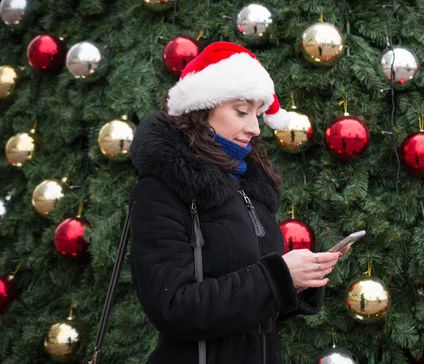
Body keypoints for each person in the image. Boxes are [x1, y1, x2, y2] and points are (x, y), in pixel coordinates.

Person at [128, 41, 343, 364]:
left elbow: (252, 297)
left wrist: (300, 281)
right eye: (242, 112)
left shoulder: (246, 183)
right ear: (202, 109)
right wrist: (279, 276)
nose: (254, 128)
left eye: (257, 114)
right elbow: (173, 307)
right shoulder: (161, 188)